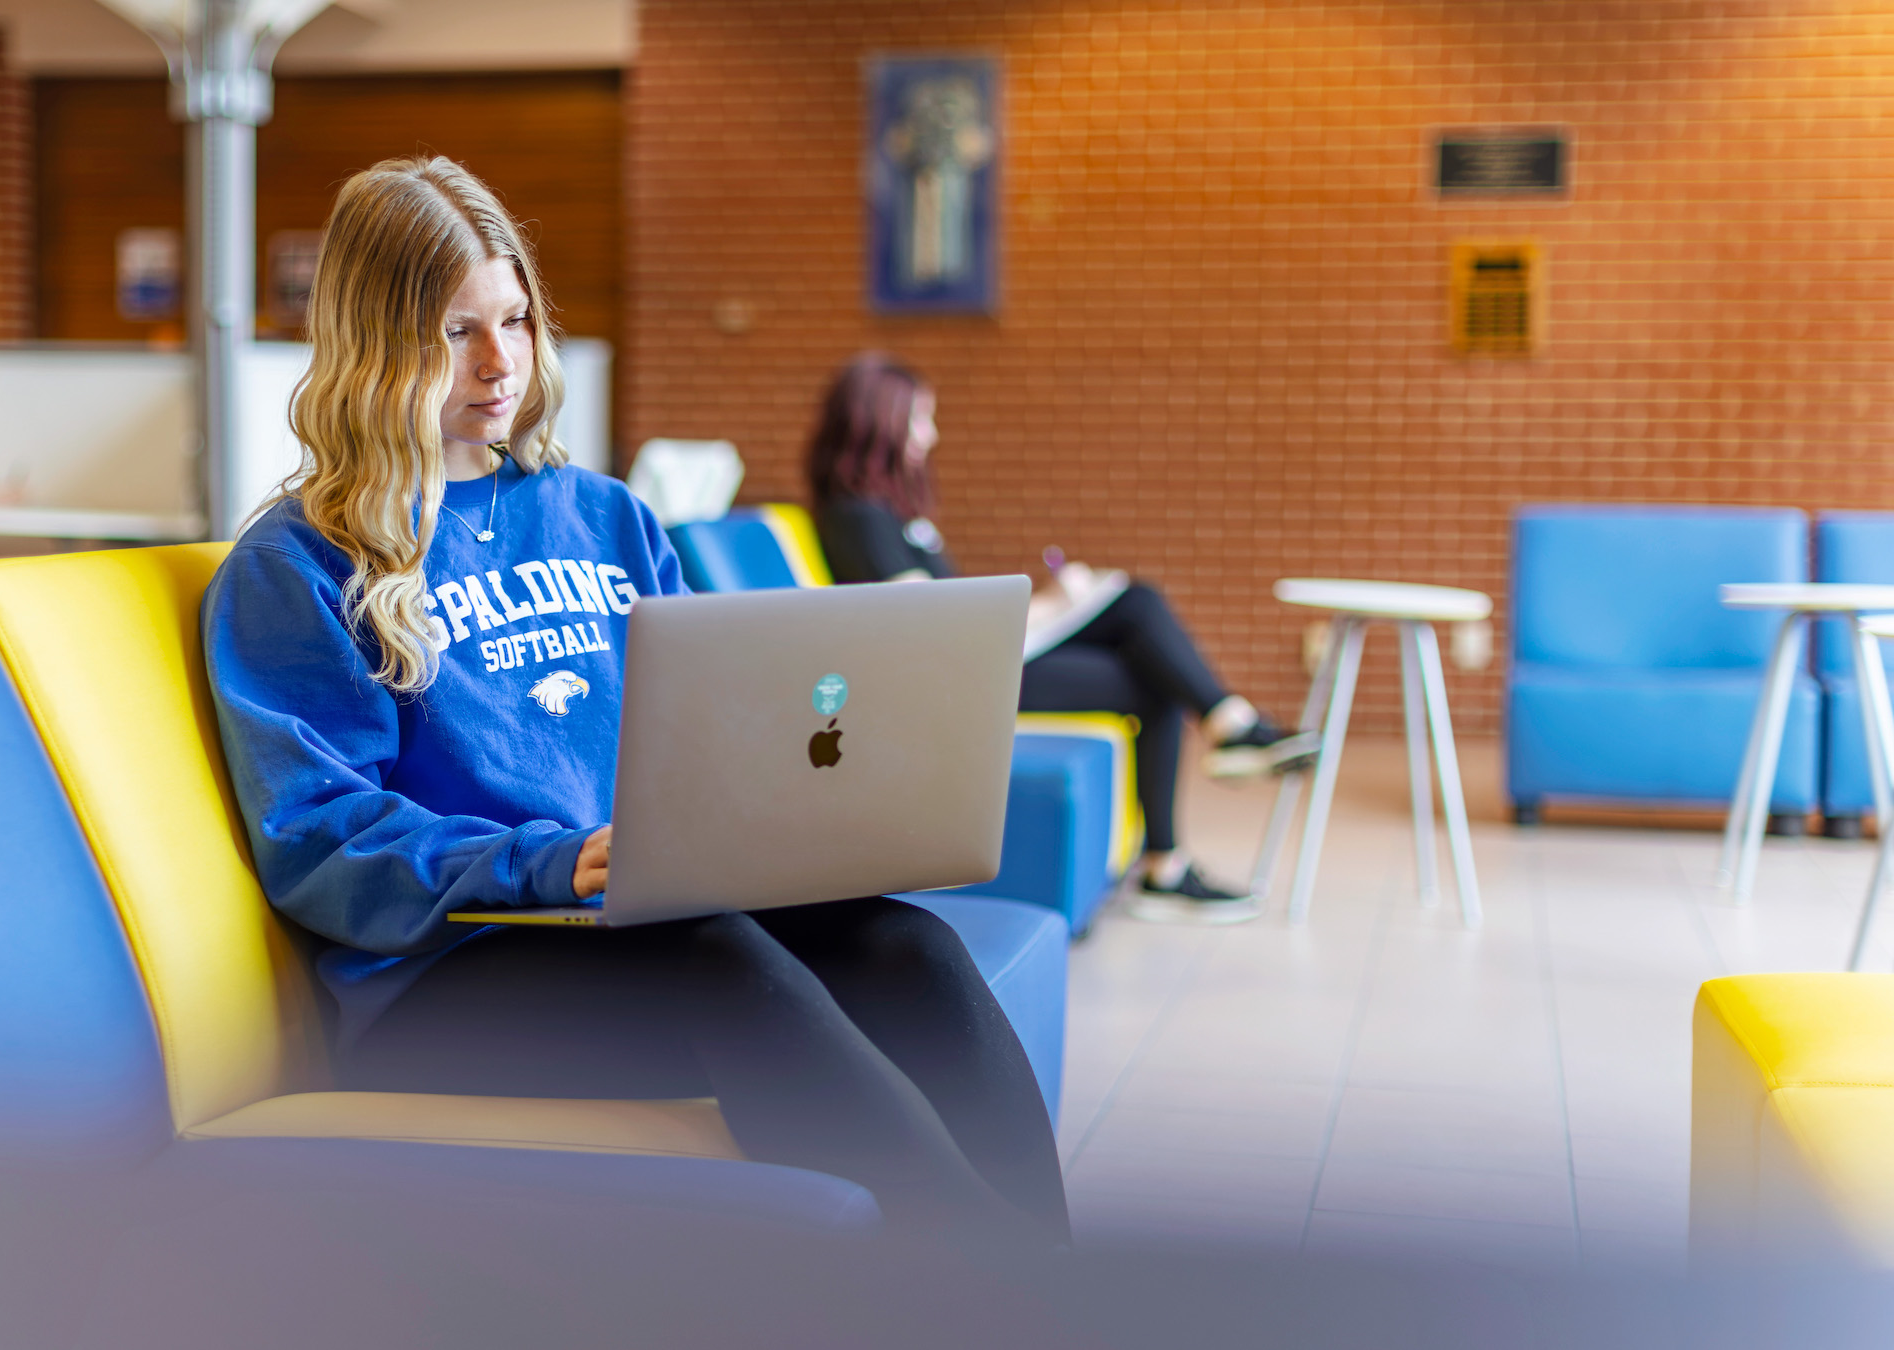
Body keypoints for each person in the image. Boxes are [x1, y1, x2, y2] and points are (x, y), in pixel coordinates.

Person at [202, 157, 1066, 1245]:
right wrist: (548, 863)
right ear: (374, 344)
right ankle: (999, 1295)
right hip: (447, 974)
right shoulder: (296, 566)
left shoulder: (603, 517)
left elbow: (718, 725)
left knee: (910, 949)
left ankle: (1053, 1279)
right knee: (723, 961)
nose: (499, 362)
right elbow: (321, 840)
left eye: (514, 320)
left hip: (645, 913)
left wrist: (809, 816)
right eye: (454, 332)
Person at [806, 352, 1316, 925]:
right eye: (921, 419)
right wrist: (1051, 604)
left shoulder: (887, 514)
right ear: (883, 421)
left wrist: (1051, 603)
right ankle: (1214, 766)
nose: (931, 435)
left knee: (1137, 616)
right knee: (1139, 622)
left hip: (976, 659)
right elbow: (933, 621)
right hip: (957, 680)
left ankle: (1217, 759)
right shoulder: (857, 517)